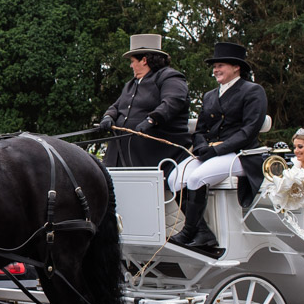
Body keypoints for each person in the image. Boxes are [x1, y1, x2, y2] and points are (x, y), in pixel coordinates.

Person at [168, 42, 268, 252]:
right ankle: (203, 232)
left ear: (236, 67)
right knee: (175, 178)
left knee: (196, 178)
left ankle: (188, 232)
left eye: (220, 65)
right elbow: (201, 129)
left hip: (241, 154)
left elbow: (248, 131)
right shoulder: (210, 95)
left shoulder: (253, 91)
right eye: (214, 67)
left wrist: (216, 150)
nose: (215, 70)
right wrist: (202, 146)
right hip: (212, 153)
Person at [98, 34, 190, 168]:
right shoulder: (131, 84)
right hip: (120, 153)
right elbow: (117, 106)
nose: (131, 65)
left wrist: (151, 119)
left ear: (144, 60)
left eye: (133, 61)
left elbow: (172, 101)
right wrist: (108, 116)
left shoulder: (170, 77)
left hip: (155, 154)